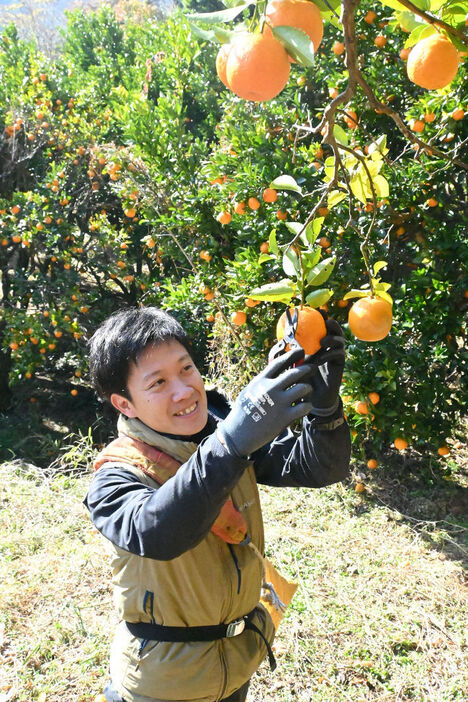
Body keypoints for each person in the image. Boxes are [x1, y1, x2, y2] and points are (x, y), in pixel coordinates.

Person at [85, 306, 351, 702]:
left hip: (237, 661)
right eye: (157, 382)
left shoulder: (217, 429)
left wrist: (324, 410)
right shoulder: (117, 475)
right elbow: (156, 532)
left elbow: (316, 469)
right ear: (124, 404)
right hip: (163, 685)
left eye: (186, 369)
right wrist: (231, 443)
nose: (184, 390)